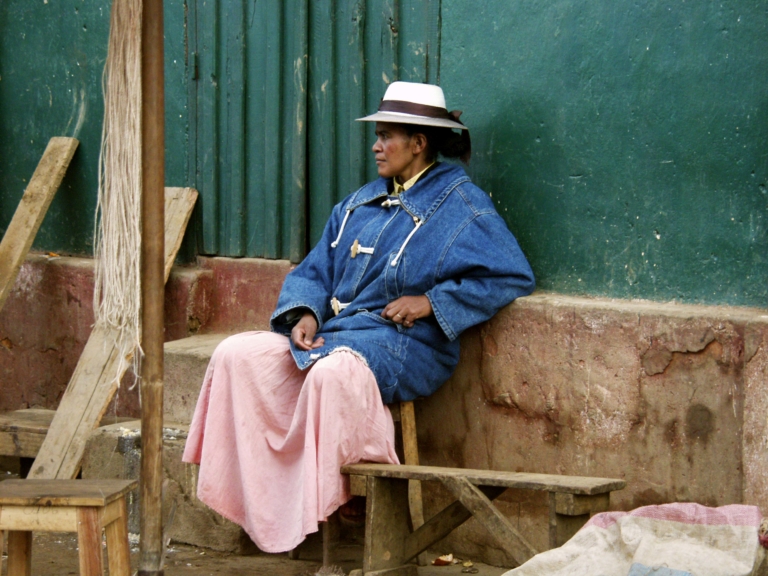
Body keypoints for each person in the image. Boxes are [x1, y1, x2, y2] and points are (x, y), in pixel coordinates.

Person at [182, 81, 535, 553]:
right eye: (377, 135)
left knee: (331, 374)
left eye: (386, 136)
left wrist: (431, 302)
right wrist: (306, 314)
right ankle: (267, 509)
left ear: (418, 143)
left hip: (406, 344)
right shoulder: (358, 204)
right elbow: (315, 271)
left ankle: (339, 502)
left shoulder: (461, 204)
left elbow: (511, 274)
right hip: (338, 333)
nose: (376, 146)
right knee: (236, 355)